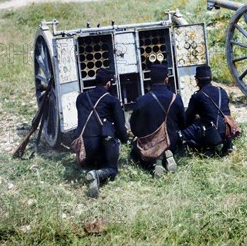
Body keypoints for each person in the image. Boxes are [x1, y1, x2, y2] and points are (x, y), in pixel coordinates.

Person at [74, 68, 128, 198]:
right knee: (112, 169)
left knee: (91, 163)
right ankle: (98, 175)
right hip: (102, 146)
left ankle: (89, 170)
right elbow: (121, 129)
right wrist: (125, 139)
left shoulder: (81, 98)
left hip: (84, 149)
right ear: (108, 83)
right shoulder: (112, 100)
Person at [130, 63, 186, 177]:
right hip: (172, 142)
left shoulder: (141, 101)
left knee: (134, 149)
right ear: (166, 78)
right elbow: (183, 124)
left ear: (151, 79)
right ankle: (166, 154)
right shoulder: (176, 98)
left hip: (151, 144)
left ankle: (157, 160)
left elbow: (135, 129)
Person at [180, 65, 234, 155]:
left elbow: (188, 118)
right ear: (210, 78)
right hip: (227, 131)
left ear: (197, 80)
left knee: (185, 133)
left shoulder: (198, 96)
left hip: (212, 133)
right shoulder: (222, 91)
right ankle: (226, 145)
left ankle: (207, 147)